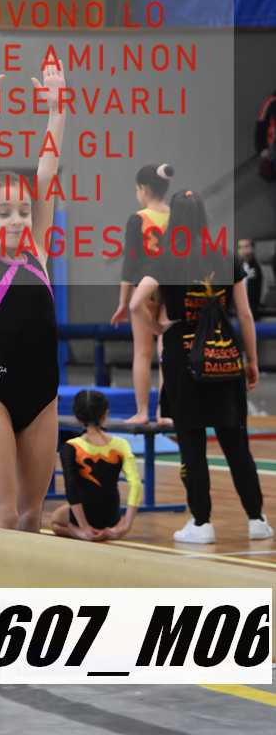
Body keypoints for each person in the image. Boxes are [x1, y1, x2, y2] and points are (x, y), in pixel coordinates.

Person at [129, 189, 273, 544]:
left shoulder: (163, 259)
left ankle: (201, 522)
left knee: (192, 444)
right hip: (224, 356)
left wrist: (156, 326)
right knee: (236, 443)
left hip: (184, 359)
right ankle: (256, 519)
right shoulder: (225, 256)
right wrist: (251, 360)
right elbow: (245, 314)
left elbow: (135, 303)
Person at [0, 56, 66, 532]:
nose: (19, 219)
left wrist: (57, 110)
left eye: (24, 210)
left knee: (30, 516)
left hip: (44, 397)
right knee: (3, 515)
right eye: (4, 212)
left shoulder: (38, 252)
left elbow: (47, 171)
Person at [111, 163, 174, 424]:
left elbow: (130, 263)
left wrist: (123, 302)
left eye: (137, 189)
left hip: (144, 289)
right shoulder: (176, 216)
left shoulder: (137, 218)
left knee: (142, 353)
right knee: (166, 353)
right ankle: (164, 412)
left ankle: (142, 411)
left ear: (144, 189)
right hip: (171, 288)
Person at [51, 390, 142, 542]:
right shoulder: (121, 444)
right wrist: (126, 525)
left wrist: (84, 527)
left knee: (55, 521)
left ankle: (80, 533)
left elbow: (71, 488)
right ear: (105, 414)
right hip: (112, 518)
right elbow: (136, 484)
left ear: (77, 417)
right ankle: (109, 531)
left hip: (85, 515)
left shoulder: (71, 447)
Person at [237, 238, 264, 319]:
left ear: (252, 249)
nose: (243, 250)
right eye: (240, 247)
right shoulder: (237, 266)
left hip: (252, 311)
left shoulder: (256, 267)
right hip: (237, 311)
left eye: (246, 247)